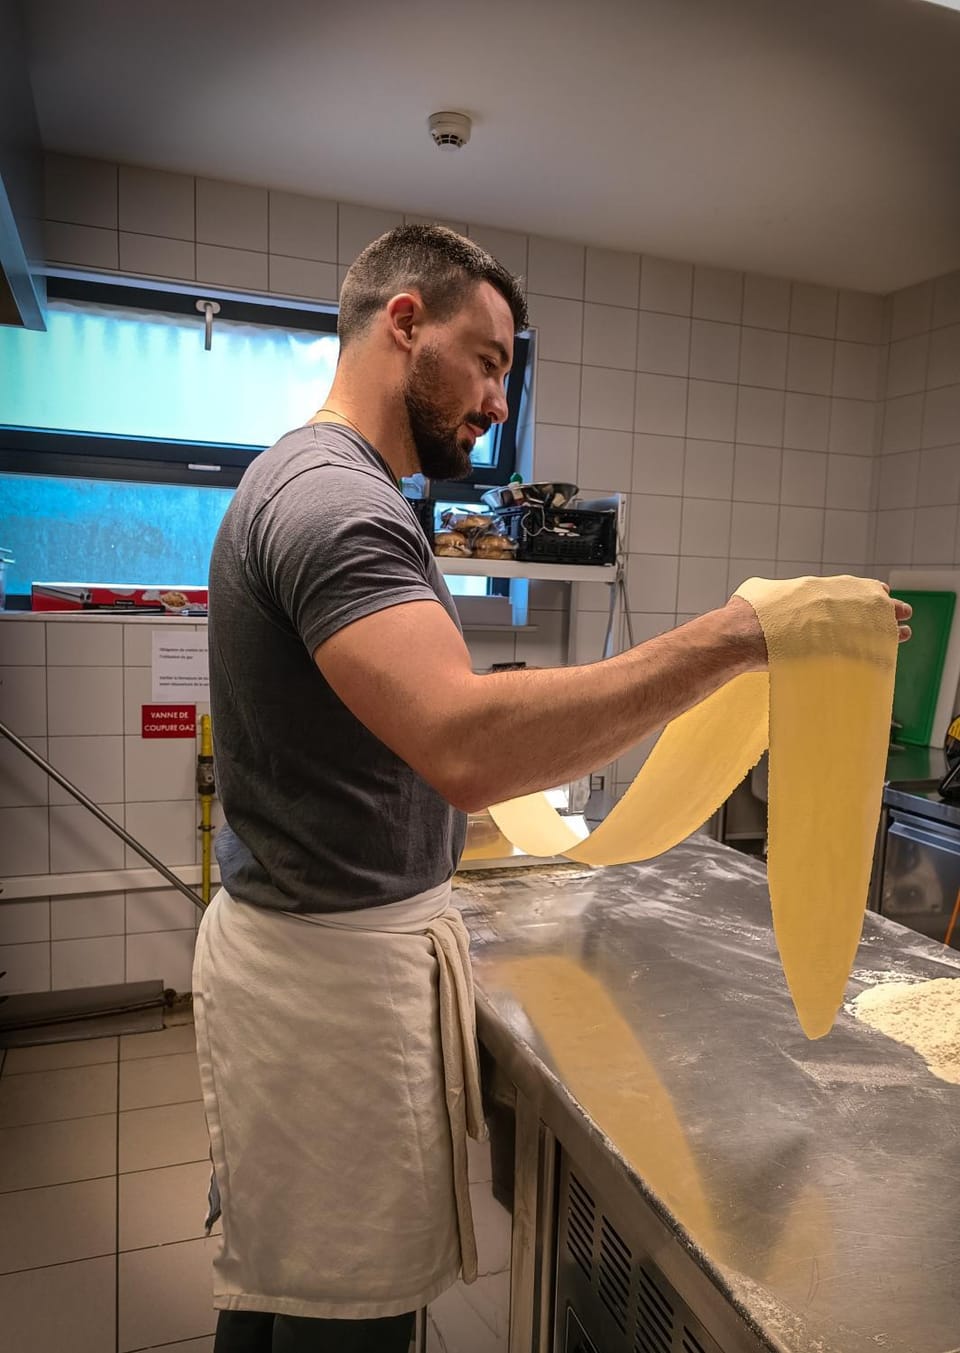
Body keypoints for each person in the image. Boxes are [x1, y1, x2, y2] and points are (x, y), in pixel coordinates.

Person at [194, 225, 911, 1353]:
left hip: (312, 950)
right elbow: (464, 742)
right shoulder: (338, 506)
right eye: (486, 359)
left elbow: (398, 735)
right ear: (404, 323)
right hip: (328, 993)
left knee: (283, 1285)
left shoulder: (322, 483)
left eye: (508, 373)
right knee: (348, 1320)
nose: (496, 398)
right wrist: (734, 639)